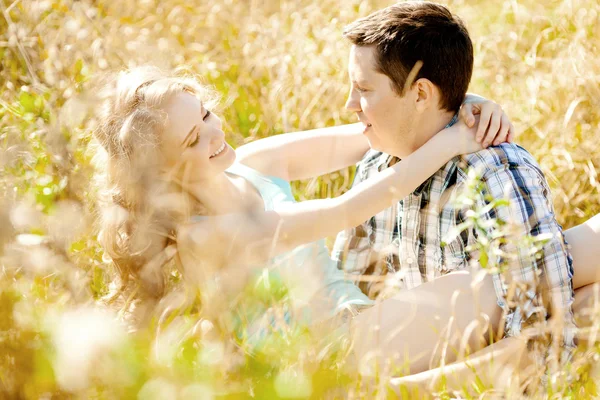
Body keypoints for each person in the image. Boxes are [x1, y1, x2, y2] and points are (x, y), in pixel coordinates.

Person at [93, 65, 511, 356]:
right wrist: (455, 139)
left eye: (206, 113)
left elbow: (374, 132)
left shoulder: (250, 164)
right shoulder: (203, 234)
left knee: (567, 299)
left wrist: (455, 105)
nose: (215, 132)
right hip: (328, 360)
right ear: (161, 174)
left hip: (364, 321)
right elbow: (347, 210)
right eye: (192, 139)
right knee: (501, 288)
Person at [328, 1, 598, 390]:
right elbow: (348, 297)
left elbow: (544, 345)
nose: (349, 104)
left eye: (364, 89)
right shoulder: (376, 167)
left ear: (421, 94)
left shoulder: (497, 175)